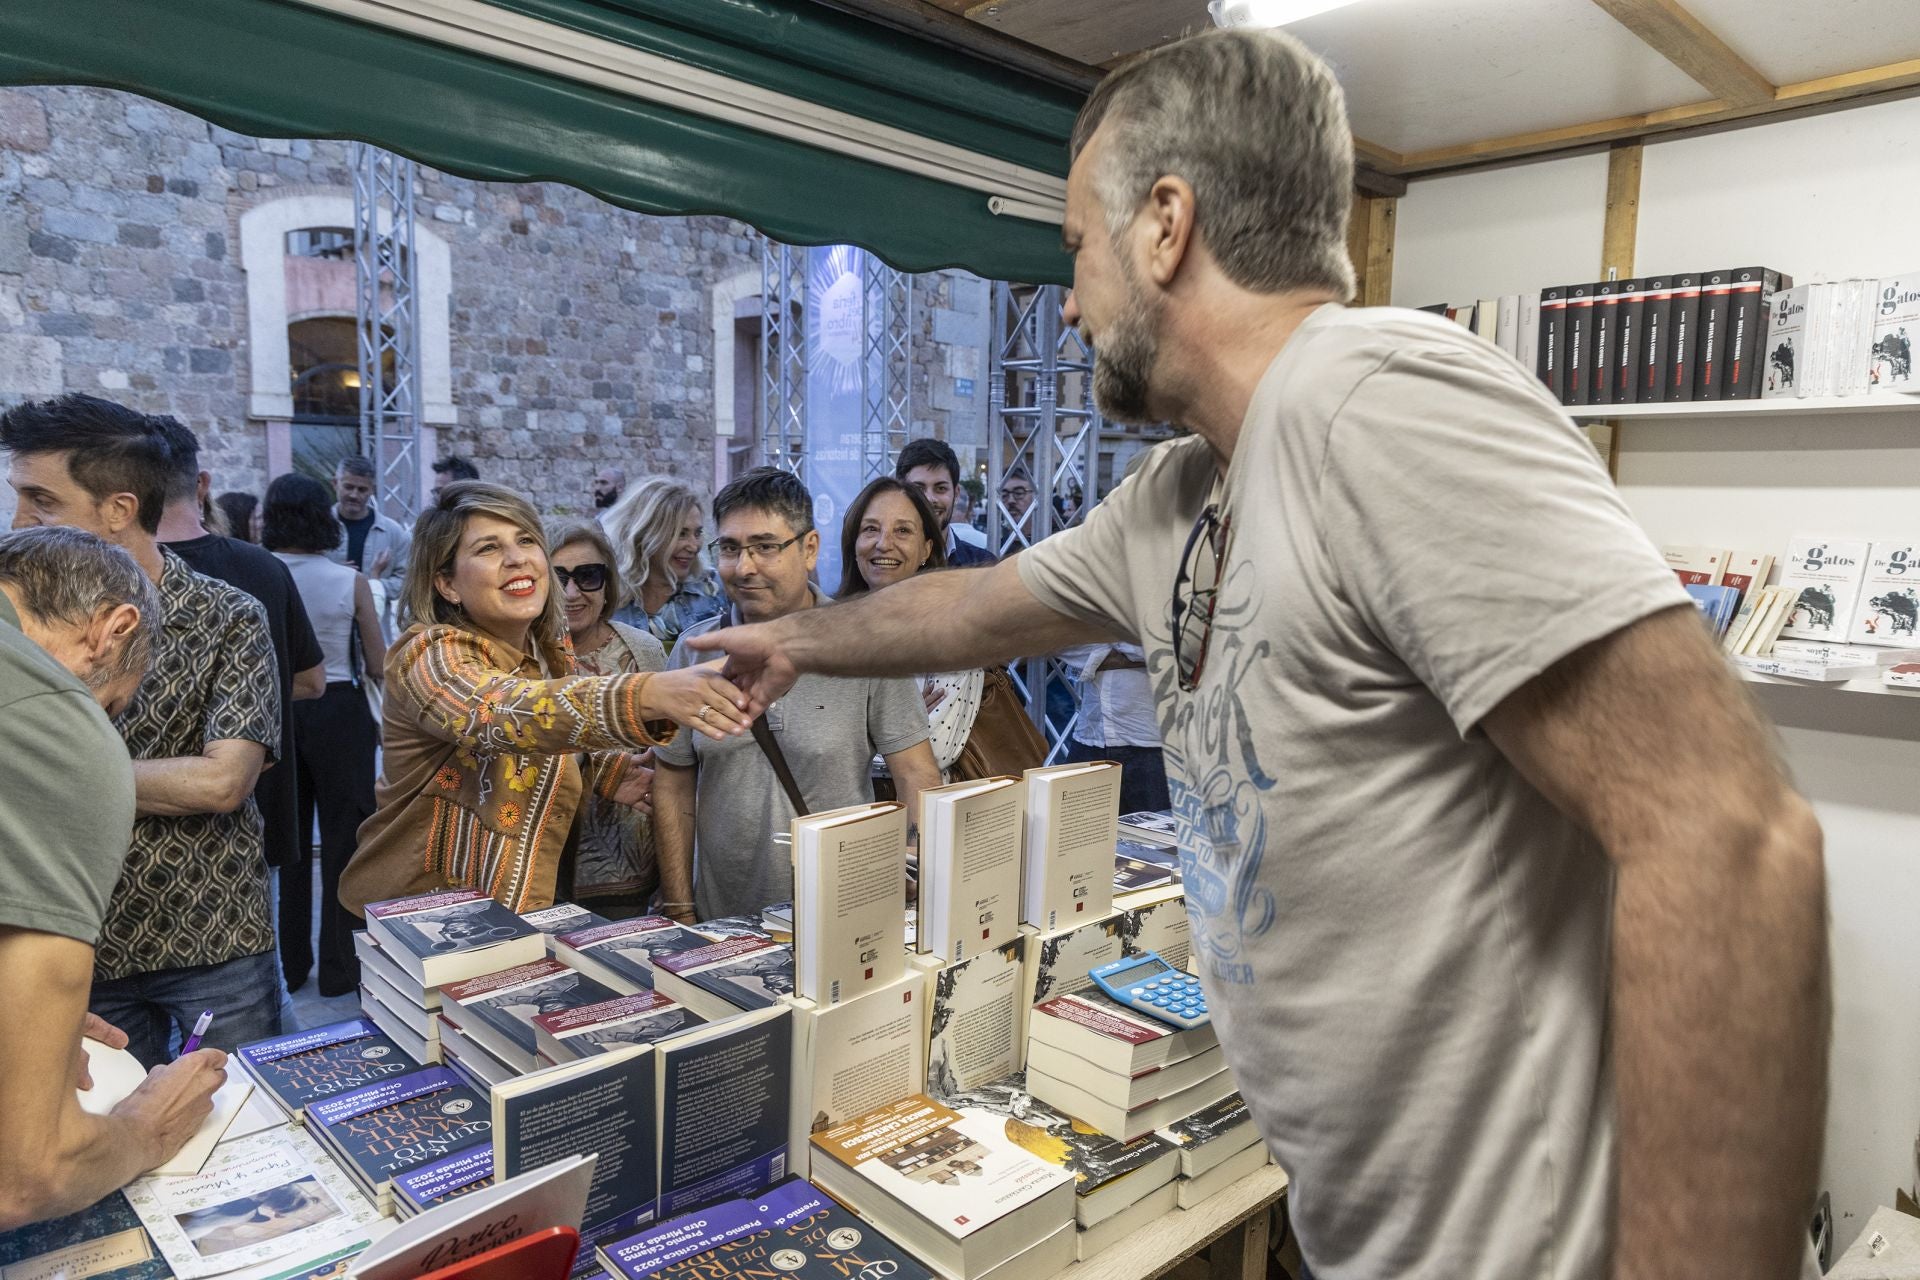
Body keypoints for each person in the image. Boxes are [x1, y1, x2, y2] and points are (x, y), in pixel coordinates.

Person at [689, 28, 1826, 1280]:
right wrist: (792, 637)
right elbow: (975, 607)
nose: (1066, 301)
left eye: (1076, 248)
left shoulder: (1377, 400)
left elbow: (1731, 837)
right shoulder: (1182, 491)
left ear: (1166, 225)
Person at [3, 395, 284, 1068]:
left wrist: (49, 772)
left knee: (240, 1134)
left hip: (213, 936)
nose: (17, 522)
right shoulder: (15, 628)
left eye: (41, 501)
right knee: (97, 1140)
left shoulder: (228, 614)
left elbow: (224, 780)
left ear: (119, 509)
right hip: (73, 933)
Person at [338, 482, 752, 917]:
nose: (517, 558)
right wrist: (647, 694)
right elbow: (499, 712)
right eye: (488, 549)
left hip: (502, 918)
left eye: (526, 540)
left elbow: (532, 742)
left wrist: (603, 772)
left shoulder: (548, 650)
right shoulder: (427, 653)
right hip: (418, 921)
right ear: (447, 584)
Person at [0, 526, 232, 1229]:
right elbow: (27, 1178)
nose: (100, 725)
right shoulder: (56, 727)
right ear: (112, 629)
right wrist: (146, 1126)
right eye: (111, 710)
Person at [652, 468, 942, 924]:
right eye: (730, 548)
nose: (745, 567)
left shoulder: (864, 647)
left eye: (766, 547)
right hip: (720, 925)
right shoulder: (694, 651)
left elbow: (916, 773)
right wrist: (679, 906)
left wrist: (924, 876)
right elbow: (672, 781)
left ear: (809, 549)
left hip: (840, 918)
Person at [152, 424, 328, 992]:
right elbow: (309, 681)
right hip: (255, 805)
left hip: (150, 822)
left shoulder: (104, 577)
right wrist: (245, 711)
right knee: (253, 990)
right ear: (201, 483)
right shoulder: (260, 568)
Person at [262, 474, 385, 997]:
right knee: (344, 843)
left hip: (278, 709)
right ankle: (341, 969)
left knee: (287, 843)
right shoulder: (348, 580)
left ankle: (290, 965)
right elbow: (378, 661)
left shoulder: (258, 574)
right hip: (339, 706)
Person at [549, 518, 667, 918]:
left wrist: (674, 879)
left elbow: (671, 764)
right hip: (542, 875)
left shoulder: (644, 652)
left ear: (608, 583)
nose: (572, 592)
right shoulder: (521, 655)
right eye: (558, 577)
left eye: (588, 576)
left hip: (629, 872)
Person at [837, 477, 982, 778]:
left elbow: (933, 752)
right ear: (854, 544)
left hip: (915, 819)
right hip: (835, 818)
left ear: (927, 549)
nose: (884, 543)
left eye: (902, 530)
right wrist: (902, 718)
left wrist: (847, 728)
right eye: (871, 529)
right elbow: (802, 746)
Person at [604, 475, 725, 652]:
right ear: (645, 535)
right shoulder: (607, 598)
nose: (693, 546)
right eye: (680, 534)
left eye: (697, 533)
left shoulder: (715, 588)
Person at [894, 438, 994, 568]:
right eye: (918, 489)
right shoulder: (884, 561)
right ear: (900, 493)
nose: (930, 498)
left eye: (940, 488)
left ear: (956, 493)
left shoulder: (981, 565)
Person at [328, 455, 409, 615]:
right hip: (329, 623)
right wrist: (334, 576)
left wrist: (372, 584)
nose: (354, 495)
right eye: (348, 487)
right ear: (335, 484)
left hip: (374, 621)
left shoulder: (394, 533)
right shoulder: (317, 526)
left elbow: (407, 582)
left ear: (373, 489)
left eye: (362, 490)